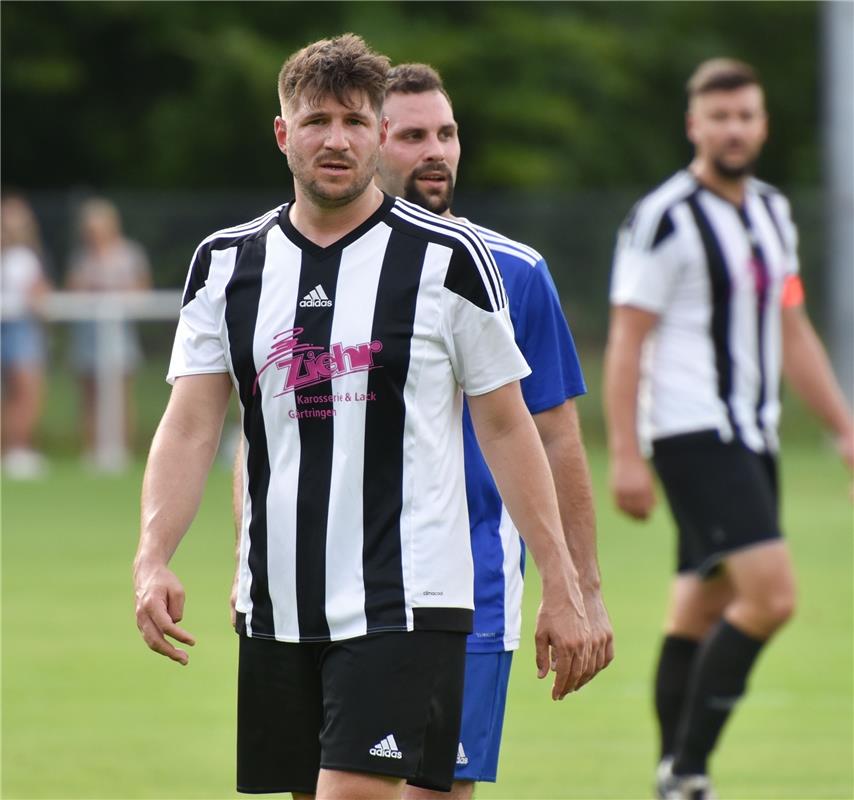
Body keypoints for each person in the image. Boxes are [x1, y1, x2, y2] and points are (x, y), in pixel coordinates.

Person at [134, 34, 594, 800]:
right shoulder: (225, 264)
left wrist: (564, 580)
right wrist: (152, 555)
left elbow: (512, 426)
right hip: (279, 601)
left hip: (408, 601)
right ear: (284, 134)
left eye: (354, 120)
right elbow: (190, 425)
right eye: (316, 121)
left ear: (379, 134)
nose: (336, 139)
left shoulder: (450, 260)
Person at [604, 58, 854, 800]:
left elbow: (792, 325)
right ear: (695, 126)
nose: (735, 129)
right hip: (691, 432)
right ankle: (688, 771)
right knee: (772, 598)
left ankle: (670, 775)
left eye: (746, 115)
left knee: (702, 605)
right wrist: (625, 452)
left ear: (763, 123)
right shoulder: (664, 218)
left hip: (754, 434)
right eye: (720, 117)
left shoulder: (772, 212)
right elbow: (627, 338)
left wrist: (843, 427)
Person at [374, 63, 613, 800]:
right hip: (340, 576)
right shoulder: (322, 270)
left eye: (445, 133)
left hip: (470, 581)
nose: (435, 151)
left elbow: (557, 437)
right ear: (369, 142)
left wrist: (579, 589)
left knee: (434, 790)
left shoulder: (516, 272)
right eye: (412, 136)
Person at [65, 197, 151, 459]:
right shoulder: (82, 257)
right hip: (88, 332)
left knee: (121, 392)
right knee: (89, 391)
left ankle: (121, 449)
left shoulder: (129, 253)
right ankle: (92, 450)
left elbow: (142, 289)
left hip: (119, 331)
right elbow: (72, 289)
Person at [0, 193, 52, 479]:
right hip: (17, 325)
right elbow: (36, 294)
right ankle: (16, 450)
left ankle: (15, 450)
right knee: (24, 391)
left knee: (19, 392)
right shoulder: (18, 256)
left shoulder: (24, 255)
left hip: (18, 324)